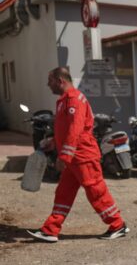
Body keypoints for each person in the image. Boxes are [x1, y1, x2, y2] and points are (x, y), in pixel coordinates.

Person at [27, 67, 129, 242]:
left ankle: (118, 225)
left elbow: (75, 130)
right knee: (63, 192)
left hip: (83, 156)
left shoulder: (74, 100)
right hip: (76, 156)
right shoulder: (64, 100)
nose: (47, 85)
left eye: (50, 81)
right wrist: (53, 142)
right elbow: (66, 130)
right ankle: (51, 229)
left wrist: (63, 156)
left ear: (60, 81)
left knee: (96, 191)